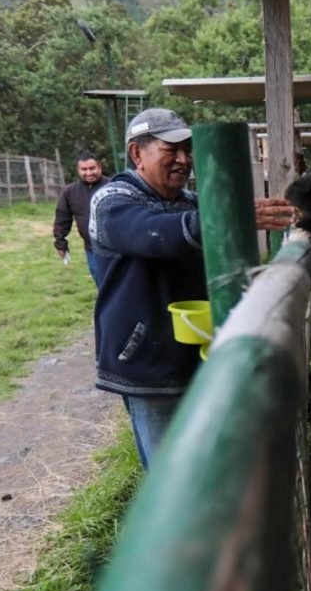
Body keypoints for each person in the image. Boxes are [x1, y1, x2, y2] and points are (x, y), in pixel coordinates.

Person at [89, 108, 293, 470]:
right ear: (138, 153)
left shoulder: (190, 202)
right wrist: (226, 216)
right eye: (171, 150)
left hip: (195, 351)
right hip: (146, 358)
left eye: (188, 150)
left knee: (207, 457)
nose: (184, 160)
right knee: (171, 471)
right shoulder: (112, 201)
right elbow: (150, 233)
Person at [53, 151, 108, 287]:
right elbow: (62, 218)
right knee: (102, 284)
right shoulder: (70, 192)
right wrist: (61, 243)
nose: (89, 173)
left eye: (92, 168)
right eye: (84, 169)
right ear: (78, 170)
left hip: (119, 248)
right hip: (92, 250)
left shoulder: (114, 185)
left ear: (99, 167)